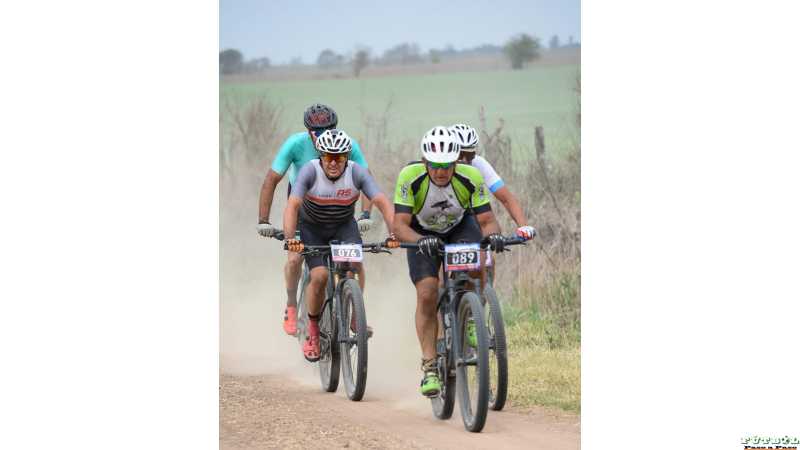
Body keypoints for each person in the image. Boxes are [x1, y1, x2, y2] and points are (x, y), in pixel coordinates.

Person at [392, 126, 533, 397]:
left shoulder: (470, 175)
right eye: (435, 166)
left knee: (479, 259)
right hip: (421, 232)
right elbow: (399, 226)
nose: (441, 172)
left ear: (456, 162)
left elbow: (487, 220)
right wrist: (420, 240)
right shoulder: (410, 176)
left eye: (447, 165)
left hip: (458, 226)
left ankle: (471, 317)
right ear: (424, 161)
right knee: (427, 292)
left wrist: (494, 237)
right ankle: (430, 368)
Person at [256, 104, 374, 337]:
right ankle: (291, 304)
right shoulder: (295, 144)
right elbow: (271, 180)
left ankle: (355, 314)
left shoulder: (346, 144)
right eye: (316, 131)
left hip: (336, 207)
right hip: (303, 207)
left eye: (327, 130)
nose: (321, 135)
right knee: (295, 258)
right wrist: (264, 220)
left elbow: (366, 180)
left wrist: (365, 214)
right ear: (308, 131)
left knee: (356, 262)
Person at [282, 129, 398, 361]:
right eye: (328, 157)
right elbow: (293, 205)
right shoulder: (310, 171)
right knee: (320, 276)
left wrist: (394, 232)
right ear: (321, 156)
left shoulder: (356, 172)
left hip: (343, 226)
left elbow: (382, 201)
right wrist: (290, 238)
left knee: (355, 264)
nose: (334, 162)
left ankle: (356, 315)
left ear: (347, 157)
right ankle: (313, 331)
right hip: (312, 229)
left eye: (339, 157)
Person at [448, 124, 535, 240]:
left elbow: (507, 199)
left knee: (492, 236)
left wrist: (524, 227)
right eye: (459, 155)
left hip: (467, 218)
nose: (464, 160)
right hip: (440, 220)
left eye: (469, 155)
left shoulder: (478, 163)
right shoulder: (438, 168)